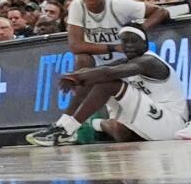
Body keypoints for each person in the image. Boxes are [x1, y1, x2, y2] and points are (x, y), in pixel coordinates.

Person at [29, 26, 187, 144]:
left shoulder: (150, 61)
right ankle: (62, 125)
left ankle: (69, 130)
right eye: (125, 42)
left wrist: (77, 76)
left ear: (145, 44)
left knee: (108, 83)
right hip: (152, 121)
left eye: (134, 41)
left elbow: (108, 73)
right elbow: (99, 71)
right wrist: (77, 78)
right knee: (96, 81)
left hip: (171, 123)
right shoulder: (127, 61)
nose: (129, 46)